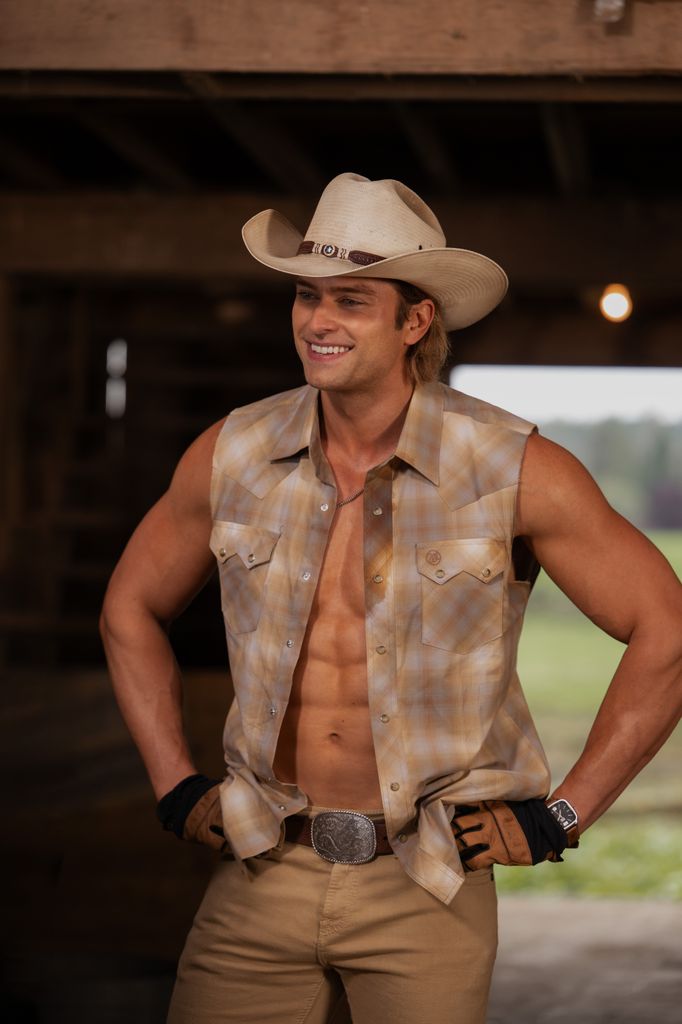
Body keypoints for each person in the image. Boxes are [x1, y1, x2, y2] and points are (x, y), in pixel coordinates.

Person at [100, 172, 682, 1024]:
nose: (317, 321)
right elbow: (128, 609)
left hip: (430, 882)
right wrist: (175, 785)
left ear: (415, 321)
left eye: (350, 300)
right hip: (262, 869)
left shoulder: (513, 469)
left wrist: (560, 817)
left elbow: (665, 629)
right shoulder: (231, 453)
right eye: (305, 297)